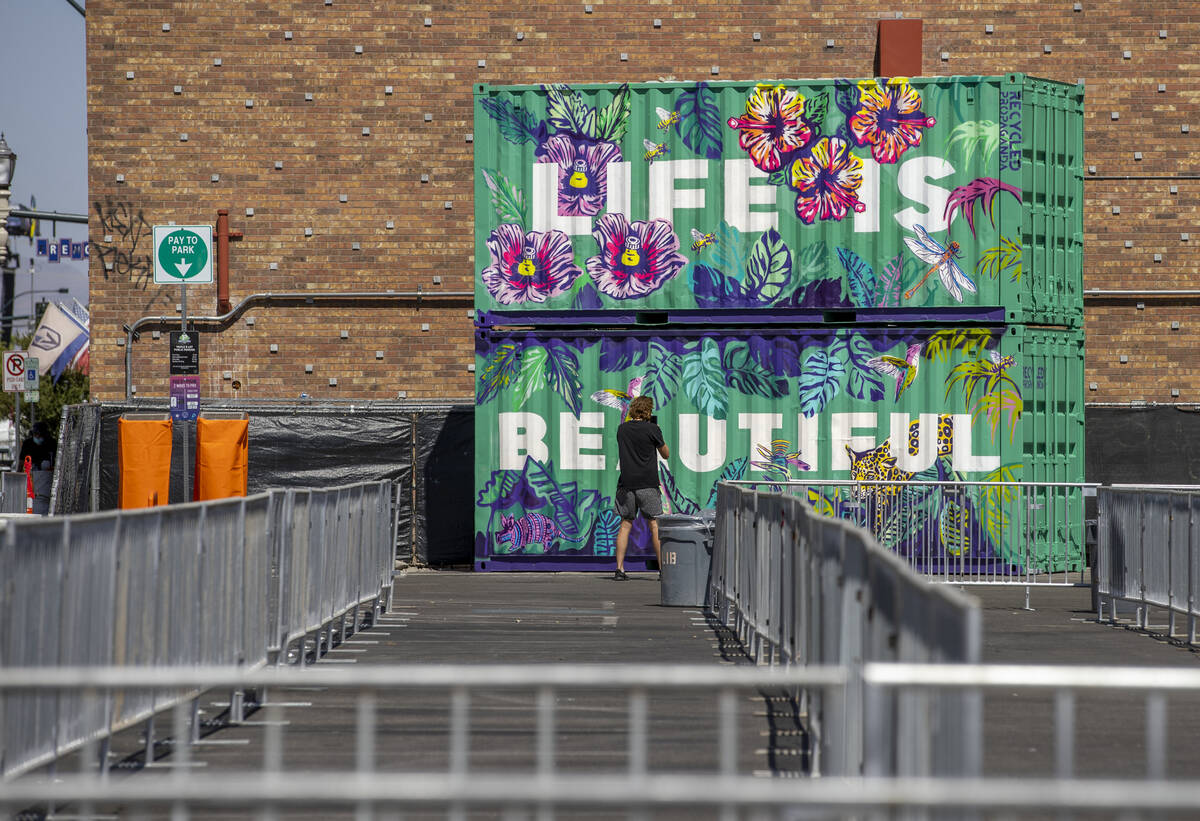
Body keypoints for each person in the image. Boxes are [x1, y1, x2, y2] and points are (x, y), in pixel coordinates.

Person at [613, 395, 669, 580]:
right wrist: (658, 432)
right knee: (654, 525)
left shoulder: (622, 429)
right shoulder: (652, 429)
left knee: (625, 524)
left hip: (626, 484)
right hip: (648, 484)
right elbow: (666, 454)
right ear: (648, 411)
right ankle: (663, 570)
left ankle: (619, 569)